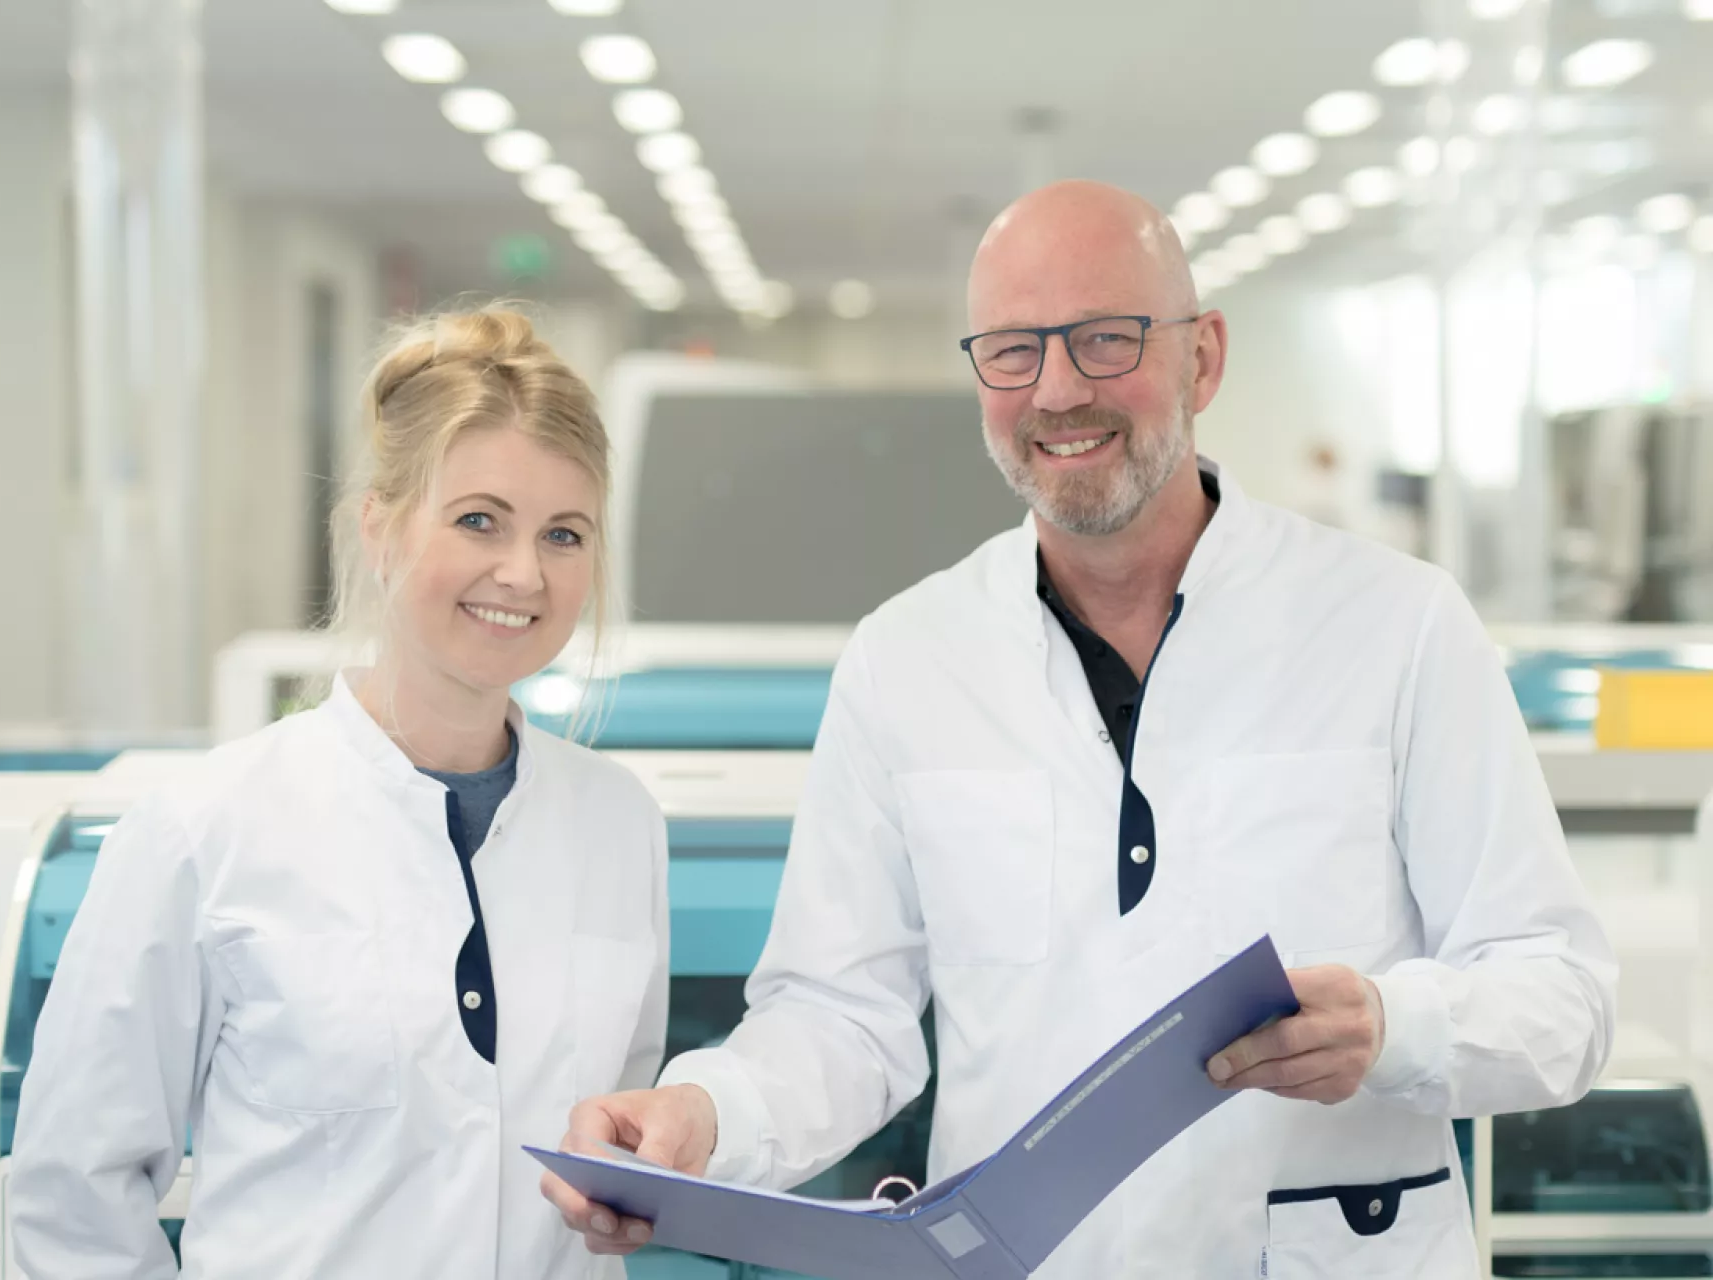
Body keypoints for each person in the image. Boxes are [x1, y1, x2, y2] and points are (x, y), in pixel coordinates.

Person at [544, 183, 1616, 1277]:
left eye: (1104, 340)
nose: (1057, 389)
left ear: (1202, 358)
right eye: (1012, 350)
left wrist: (1396, 1025)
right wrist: (700, 1113)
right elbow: (840, 1015)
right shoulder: (907, 659)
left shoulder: (1400, 624)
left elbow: (1563, 998)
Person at [10, 309, 669, 1279]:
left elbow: (617, 1130)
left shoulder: (619, 821)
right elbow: (73, 1203)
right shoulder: (208, 825)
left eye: (564, 533)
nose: (523, 572)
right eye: (478, 518)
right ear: (379, 526)